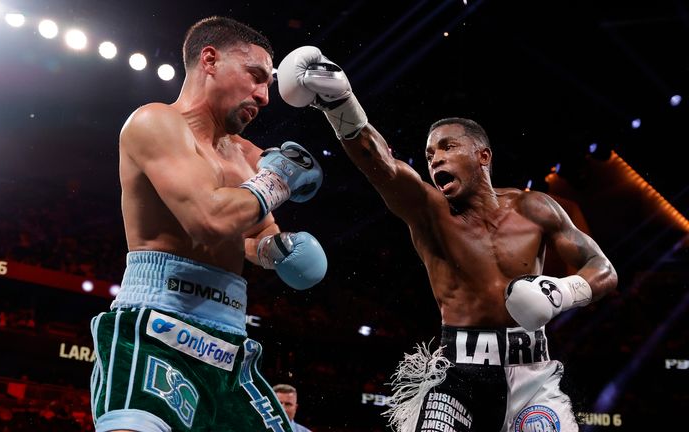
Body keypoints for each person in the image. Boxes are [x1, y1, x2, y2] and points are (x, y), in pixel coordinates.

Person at [277, 46, 618, 432]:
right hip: (457, 377)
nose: (434, 158)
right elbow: (382, 166)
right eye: (428, 153)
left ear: (483, 156)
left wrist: (559, 293)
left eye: (447, 147)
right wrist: (340, 103)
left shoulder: (535, 208)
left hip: (532, 377)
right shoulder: (428, 211)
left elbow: (603, 270)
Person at [90, 19, 328, 432]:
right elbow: (208, 219)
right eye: (255, 77)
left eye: (269, 84)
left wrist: (278, 250)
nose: (264, 95)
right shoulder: (156, 123)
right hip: (157, 323)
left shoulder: (248, 154)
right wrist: (276, 181)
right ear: (210, 60)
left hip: (229, 341)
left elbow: (256, 234)